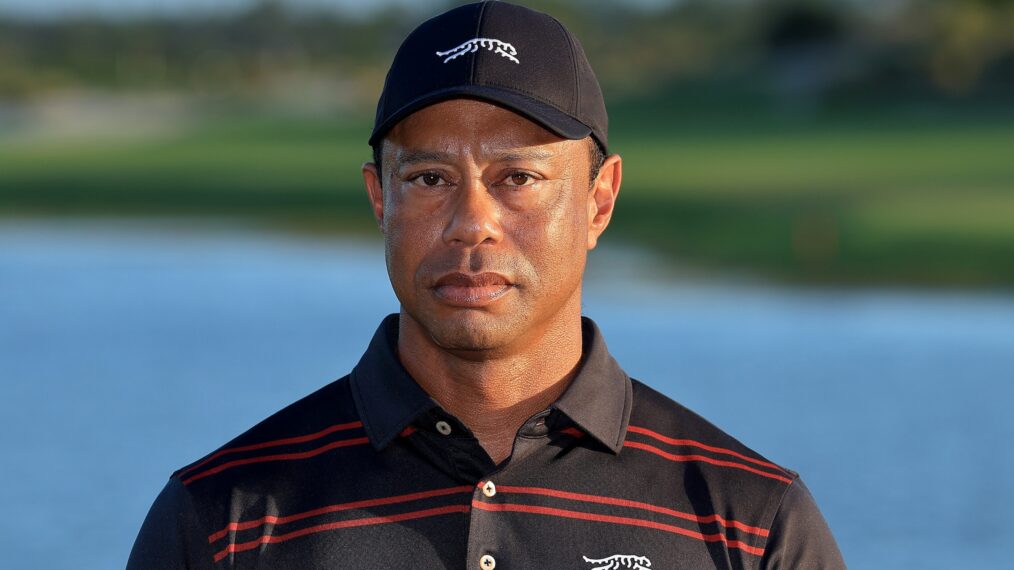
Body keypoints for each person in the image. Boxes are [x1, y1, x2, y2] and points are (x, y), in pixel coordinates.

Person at [128, 2, 845, 568]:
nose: (473, 223)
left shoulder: (752, 523)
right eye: (430, 178)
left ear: (599, 201)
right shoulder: (219, 519)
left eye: (520, 178)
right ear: (382, 200)